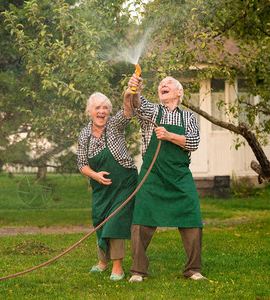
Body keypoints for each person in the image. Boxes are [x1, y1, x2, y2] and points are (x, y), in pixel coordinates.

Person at [123, 74, 206, 282]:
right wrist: (136, 90)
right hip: (152, 176)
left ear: (179, 92)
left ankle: (193, 270)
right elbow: (137, 106)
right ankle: (138, 271)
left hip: (179, 176)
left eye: (168, 83)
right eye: (161, 85)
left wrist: (169, 136)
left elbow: (193, 142)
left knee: (192, 218)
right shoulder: (153, 110)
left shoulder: (188, 118)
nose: (163, 85)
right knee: (141, 221)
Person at [77, 92, 138, 281]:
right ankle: (103, 262)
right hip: (101, 187)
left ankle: (117, 268)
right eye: (98, 108)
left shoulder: (114, 124)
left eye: (105, 108)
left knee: (115, 220)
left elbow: (127, 111)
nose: (102, 111)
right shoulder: (84, 134)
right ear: (89, 111)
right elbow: (81, 164)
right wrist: (95, 175)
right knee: (100, 220)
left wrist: (129, 93)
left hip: (124, 183)